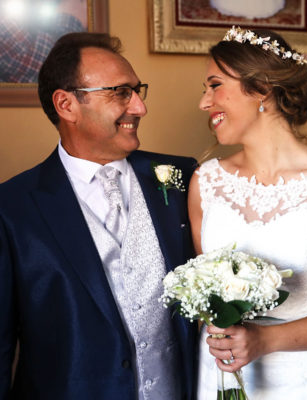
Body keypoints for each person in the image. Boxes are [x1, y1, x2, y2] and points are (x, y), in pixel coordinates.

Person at [0, 32, 197, 399]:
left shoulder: (182, 178)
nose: (140, 107)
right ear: (66, 105)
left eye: (137, 91)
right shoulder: (11, 207)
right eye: (120, 92)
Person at [188, 26, 307, 399]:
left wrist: (265, 340)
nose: (204, 102)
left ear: (261, 88)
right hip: (221, 375)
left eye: (214, 85)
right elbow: (206, 291)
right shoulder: (206, 182)